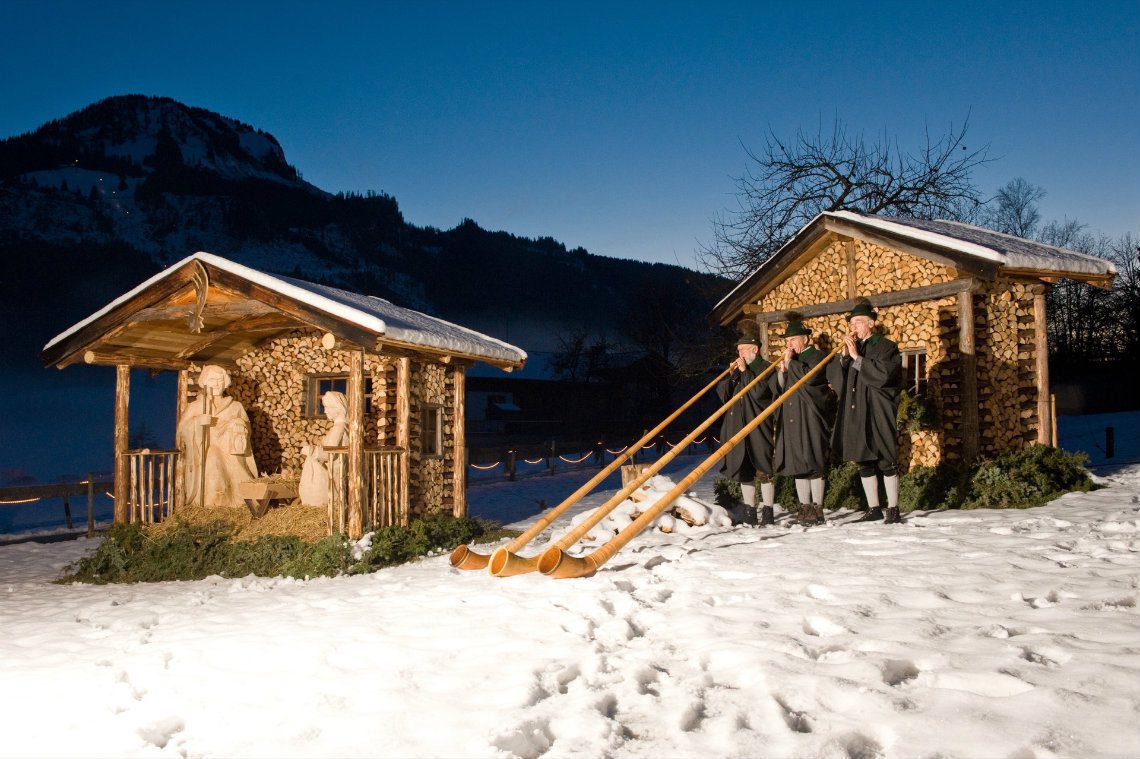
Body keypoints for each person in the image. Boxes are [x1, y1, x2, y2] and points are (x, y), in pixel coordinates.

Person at [826, 300, 904, 524]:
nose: (854, 327)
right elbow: (839, 380)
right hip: (857, 409)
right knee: (863, 459)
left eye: (858, 322)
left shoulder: (886, 346)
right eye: (851, 323)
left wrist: (857, 357)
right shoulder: (853, 349)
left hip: (878, 409)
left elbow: (883, 376)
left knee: (885, 459)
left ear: (871, 323)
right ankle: (874, 508)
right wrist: (843, 358)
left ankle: (893, 508)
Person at [773, 320, 833, 525]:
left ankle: (817, 507)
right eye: (787, 340)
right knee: (798, 462)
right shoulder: (793, 360)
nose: (789, 344)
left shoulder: (815, 356)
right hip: (791, 418)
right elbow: (782, 388)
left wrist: (791, 364)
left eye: (793, 340)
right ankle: (804, 507)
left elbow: (811, 378)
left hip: (810, 416)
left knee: (813, 459)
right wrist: (782, 372)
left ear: (805, 339)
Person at [177, 364, 258, 509]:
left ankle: (240, 504)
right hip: (207, 449)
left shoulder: (236, 406)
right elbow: (182, 430)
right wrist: (197, 422)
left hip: (231, 451)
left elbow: (247, 429)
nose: (216, 383)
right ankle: (213, 505)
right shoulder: (197, 406)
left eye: (220, 380)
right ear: (205, 382)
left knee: (236, 471)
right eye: (213, 380)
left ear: (225, 383)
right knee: (213, 461)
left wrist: (238, 425)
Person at [716, 334, 777, 525]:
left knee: (764, 468)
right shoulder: (738, 371)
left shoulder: (765, 368)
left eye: (743, 349)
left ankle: (768, 510)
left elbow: (761, 393)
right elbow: (723, 395)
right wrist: (732, 376)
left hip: (758, 426)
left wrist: (746, 373)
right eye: (738, 350)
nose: (739, 353)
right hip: (738, 426)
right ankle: (750, 510)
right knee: (744, 469)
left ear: (754, 350)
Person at [299, 391, 349, 507]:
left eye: (327, 407)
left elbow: (328, 453)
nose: (325, 411)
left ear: (337, 408)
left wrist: (310, 451)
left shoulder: (339, 428)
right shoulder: (341, 427)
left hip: (333, 472)